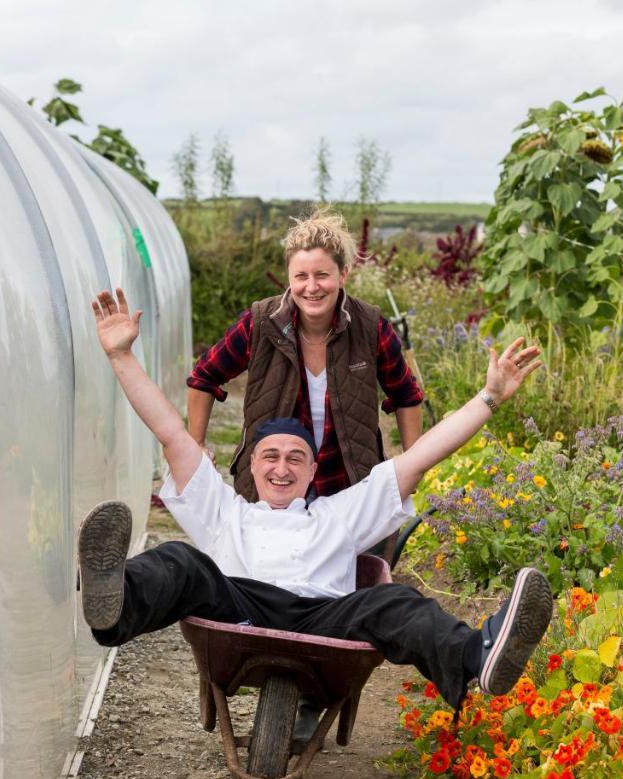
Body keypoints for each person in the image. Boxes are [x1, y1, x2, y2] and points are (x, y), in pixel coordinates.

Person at [81, 288, 553, 710]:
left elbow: (418, 460)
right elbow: (170, 431)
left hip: (324, 617)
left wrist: (489, 398)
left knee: (396, 602)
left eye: (295, 458)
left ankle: (479, 654)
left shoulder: (339, 513)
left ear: (311, 472)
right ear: (251, 465)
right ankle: (115, 599)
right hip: (239, 605)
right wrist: (121, 355)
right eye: (269, 457)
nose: (281, 468)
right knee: (179, 561)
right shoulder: (227, 510)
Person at [186, 208, 423, 503]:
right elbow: (204, 377)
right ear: (289, 276)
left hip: (348, 484)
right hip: (273, 486)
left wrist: (413, 463)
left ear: (343, 274)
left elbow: (406, 396)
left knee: (350, 551)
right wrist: (195, 445)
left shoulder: (369, 327)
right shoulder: (261, 323)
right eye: (301, 276)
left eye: (322, 275)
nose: (311, 287)